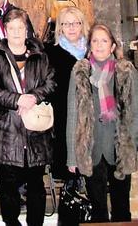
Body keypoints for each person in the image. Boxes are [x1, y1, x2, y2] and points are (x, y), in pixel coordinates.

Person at [0, 8, 55, 226]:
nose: (16, 32)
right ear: (5, 29)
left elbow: (51, 82)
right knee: (9, 187)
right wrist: (16, 100)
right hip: (7, 131)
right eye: (11, 27)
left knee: (36, 187)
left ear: (27, 29)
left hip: (35, 132)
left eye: (20, 27)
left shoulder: (40, 55)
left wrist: (33, 97)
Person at [66, 23, 138, 222]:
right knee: (97, 211)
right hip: (91, 149)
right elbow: (72, 114)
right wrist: (72, 156)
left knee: (122, 209)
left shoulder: (126, 71)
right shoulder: (80, 71)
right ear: (89, 45)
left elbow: (135, 112)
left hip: (120, 149)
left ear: (113, 46)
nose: (99, 45)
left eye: (104, 41)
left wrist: (134, 146)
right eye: (95, 41)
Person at [44, 7, 89, 183]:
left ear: (82, 25)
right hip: (63, 116)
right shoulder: (50, 53)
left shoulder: (92, 51)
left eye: (75, 23)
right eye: (66, 23)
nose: (71, 27)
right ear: (60, 27)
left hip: (89, 116)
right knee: (69, 168)